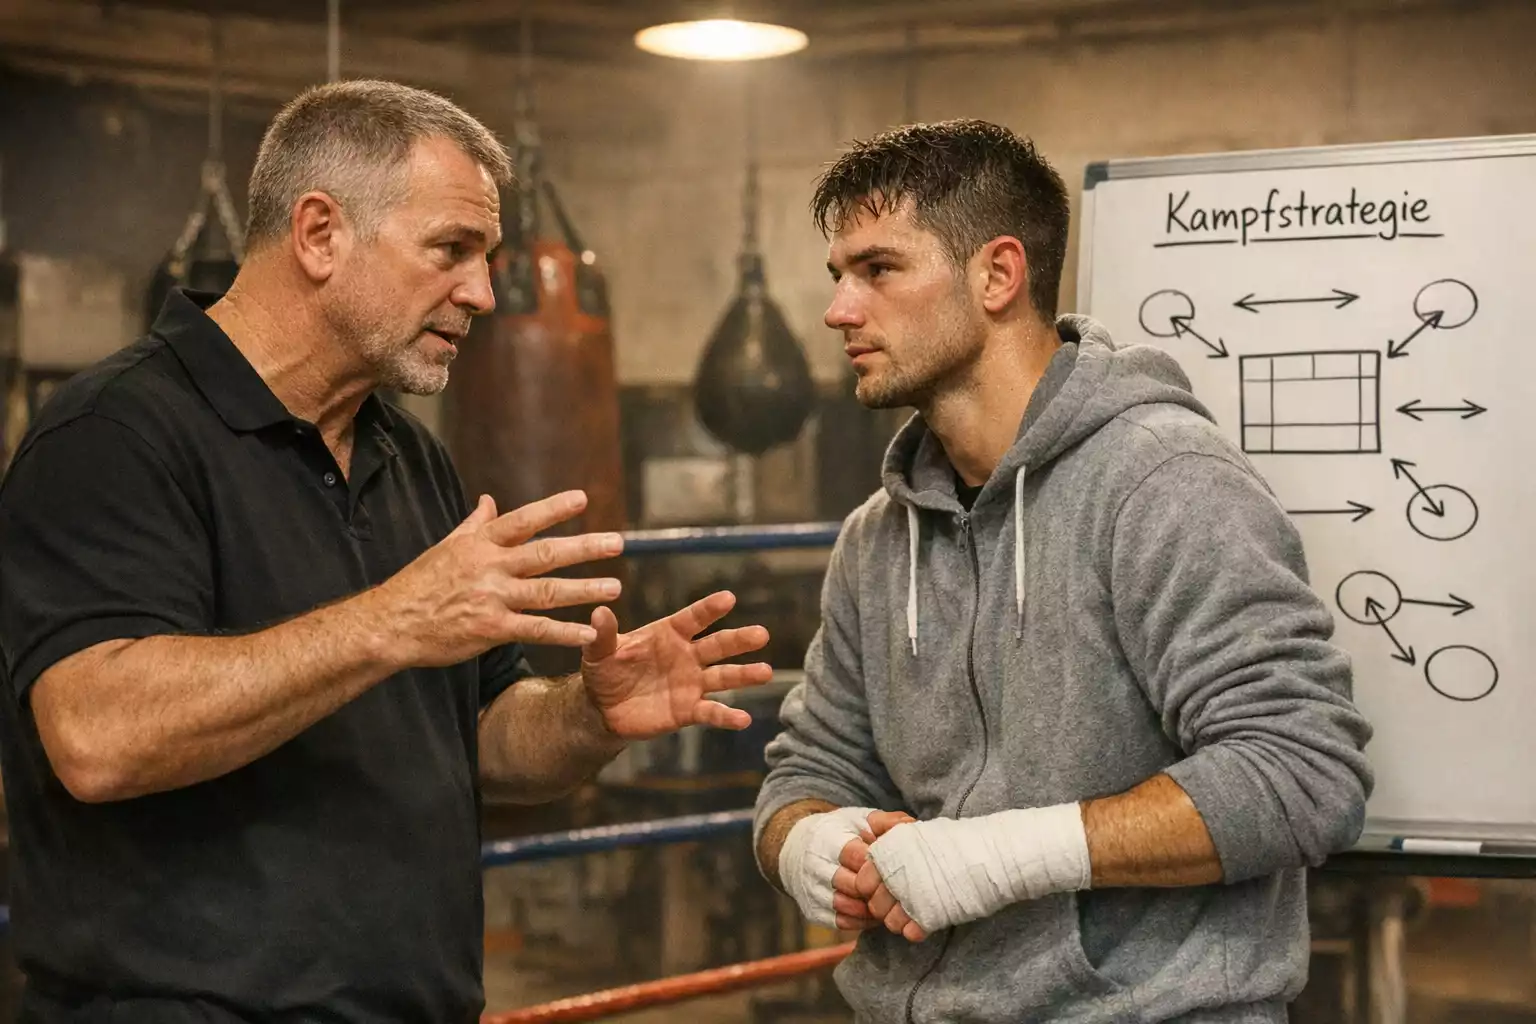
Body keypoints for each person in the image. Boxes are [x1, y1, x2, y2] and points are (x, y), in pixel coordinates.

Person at [0, 80, 773, 1023]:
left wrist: (587, 715)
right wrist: (392, 621)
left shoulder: (409, 456)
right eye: (452, 250)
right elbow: (98, 736)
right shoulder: (112, 436)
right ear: (320, 234)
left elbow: (483, 739)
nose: (485, 293)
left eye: (489, 258)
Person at [752, 119, 1373, 1023]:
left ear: (999, 275)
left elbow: (1303, 773)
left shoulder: (1163, 485)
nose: (840, 310)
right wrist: (806, 838)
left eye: (879, 270)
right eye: (838, 276)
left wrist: (1012, 854)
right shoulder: (878, 539)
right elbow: (807, 767)